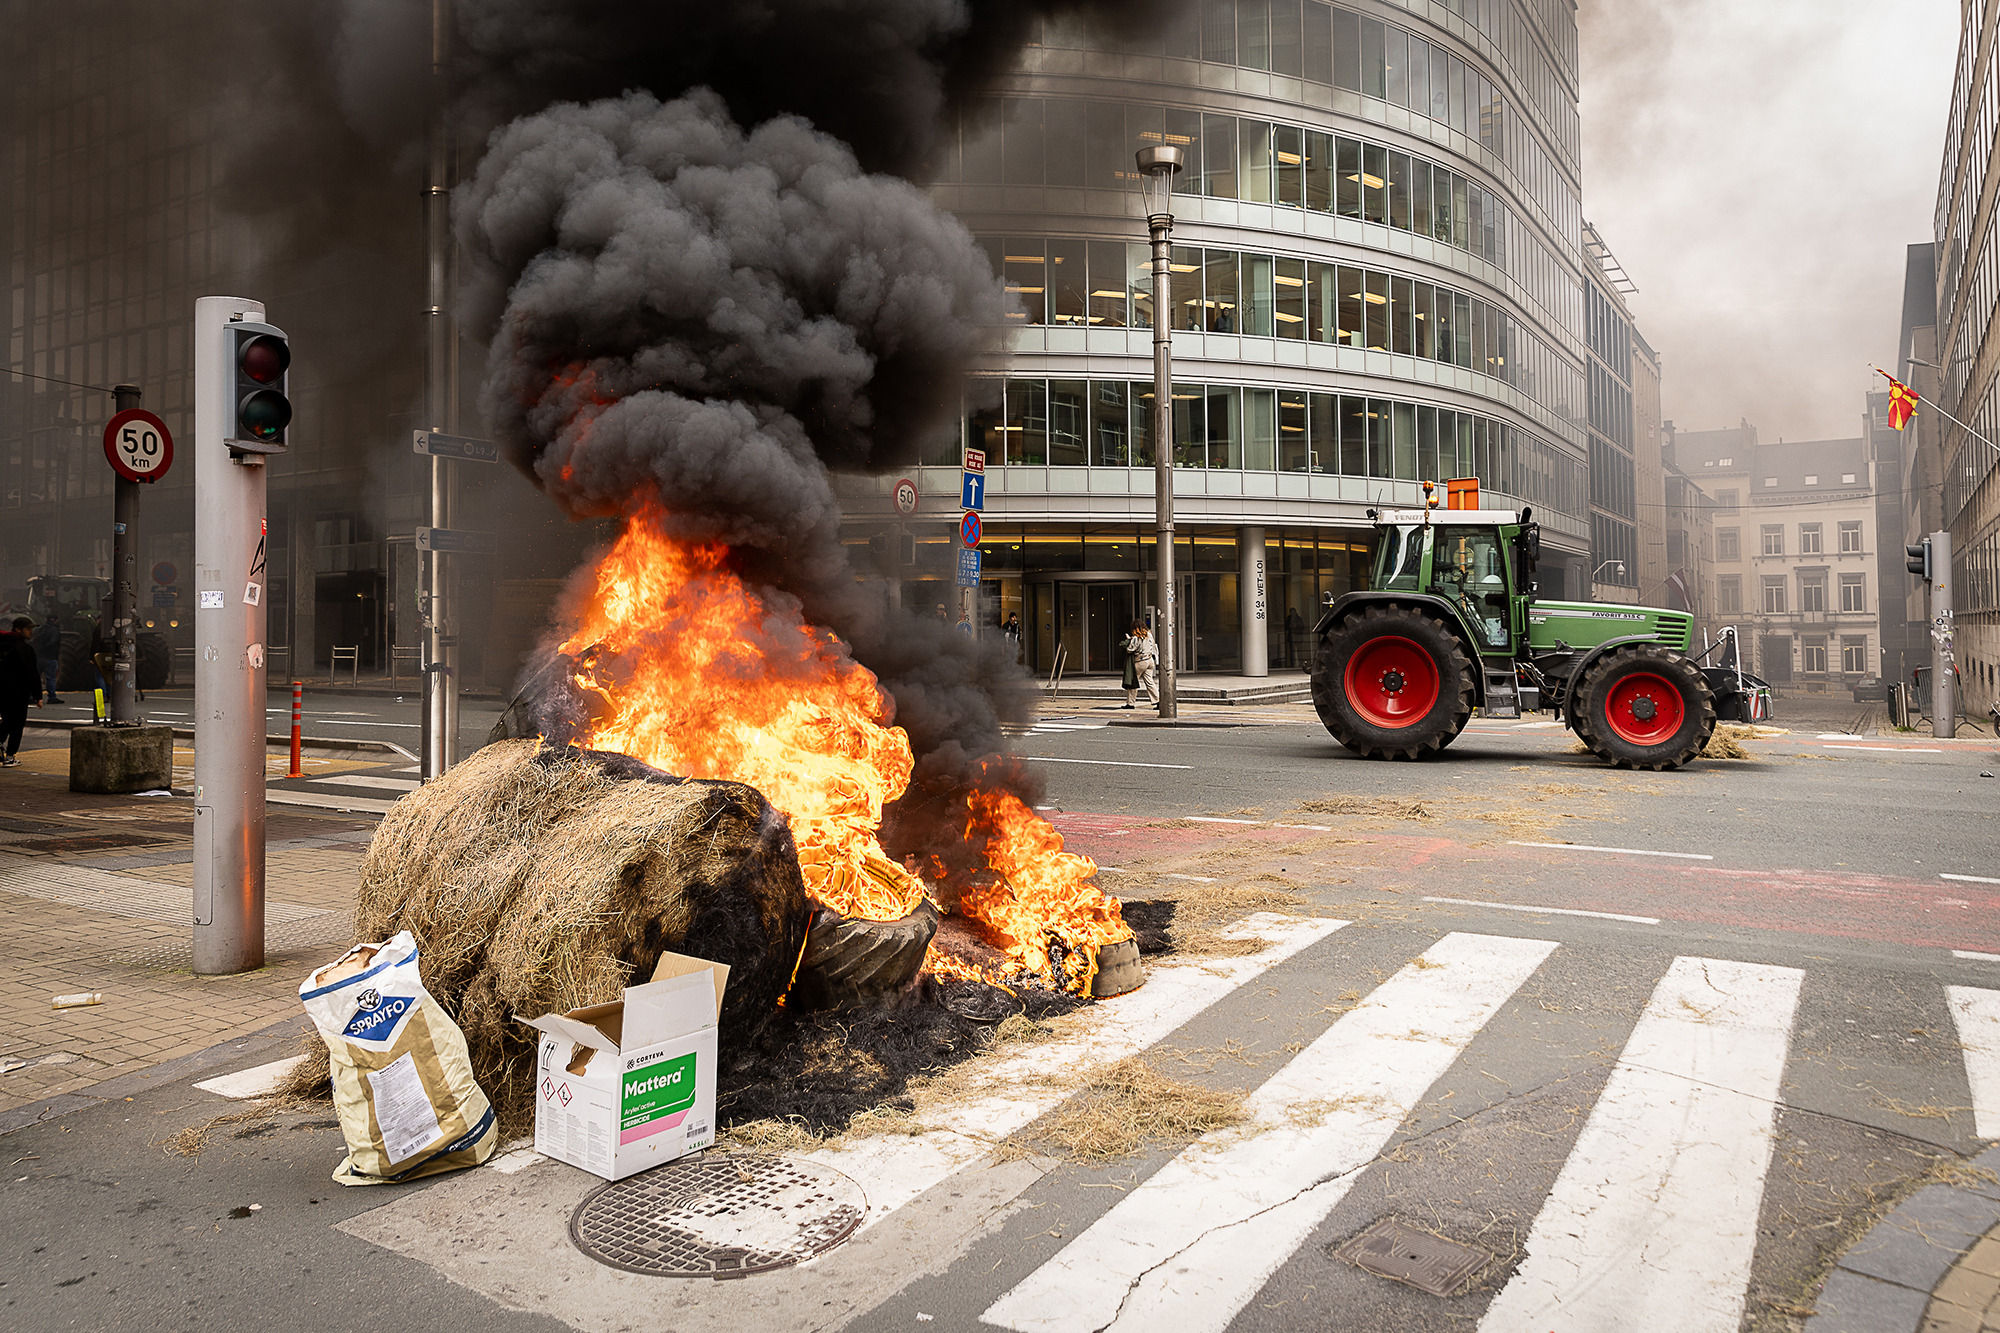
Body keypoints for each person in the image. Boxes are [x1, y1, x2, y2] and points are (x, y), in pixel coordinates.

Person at [2, 616, 43, 767]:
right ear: (18, 630)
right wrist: (38, 695)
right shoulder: (24, 648)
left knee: (6, 721)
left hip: (2, 692)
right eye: (28, 629)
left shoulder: (3, 646)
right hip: (18, 693)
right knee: (17, 725)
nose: (31, 632)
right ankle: (10, 757)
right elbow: (31, 672)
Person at [1122, 620, 1159, 709]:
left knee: (1133, 682)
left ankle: (1130, 703)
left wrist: (1128, 640)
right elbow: (1154, 646)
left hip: (1140, 661)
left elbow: (1130, 649)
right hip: (1150, 660)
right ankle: (1158, 700)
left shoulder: (1136, 638)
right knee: (1150, 682)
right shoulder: (1149, 635)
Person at [29, 603, 61, 705]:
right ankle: (51, 697)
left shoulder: (39, 630)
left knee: (35, 677)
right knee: (50, 678)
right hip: (50, 658)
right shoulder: (55, 630)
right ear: (56, 620)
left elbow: (32, 641)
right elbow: (53, 642)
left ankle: (31, 696)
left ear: (46, 619)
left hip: (38, 657)